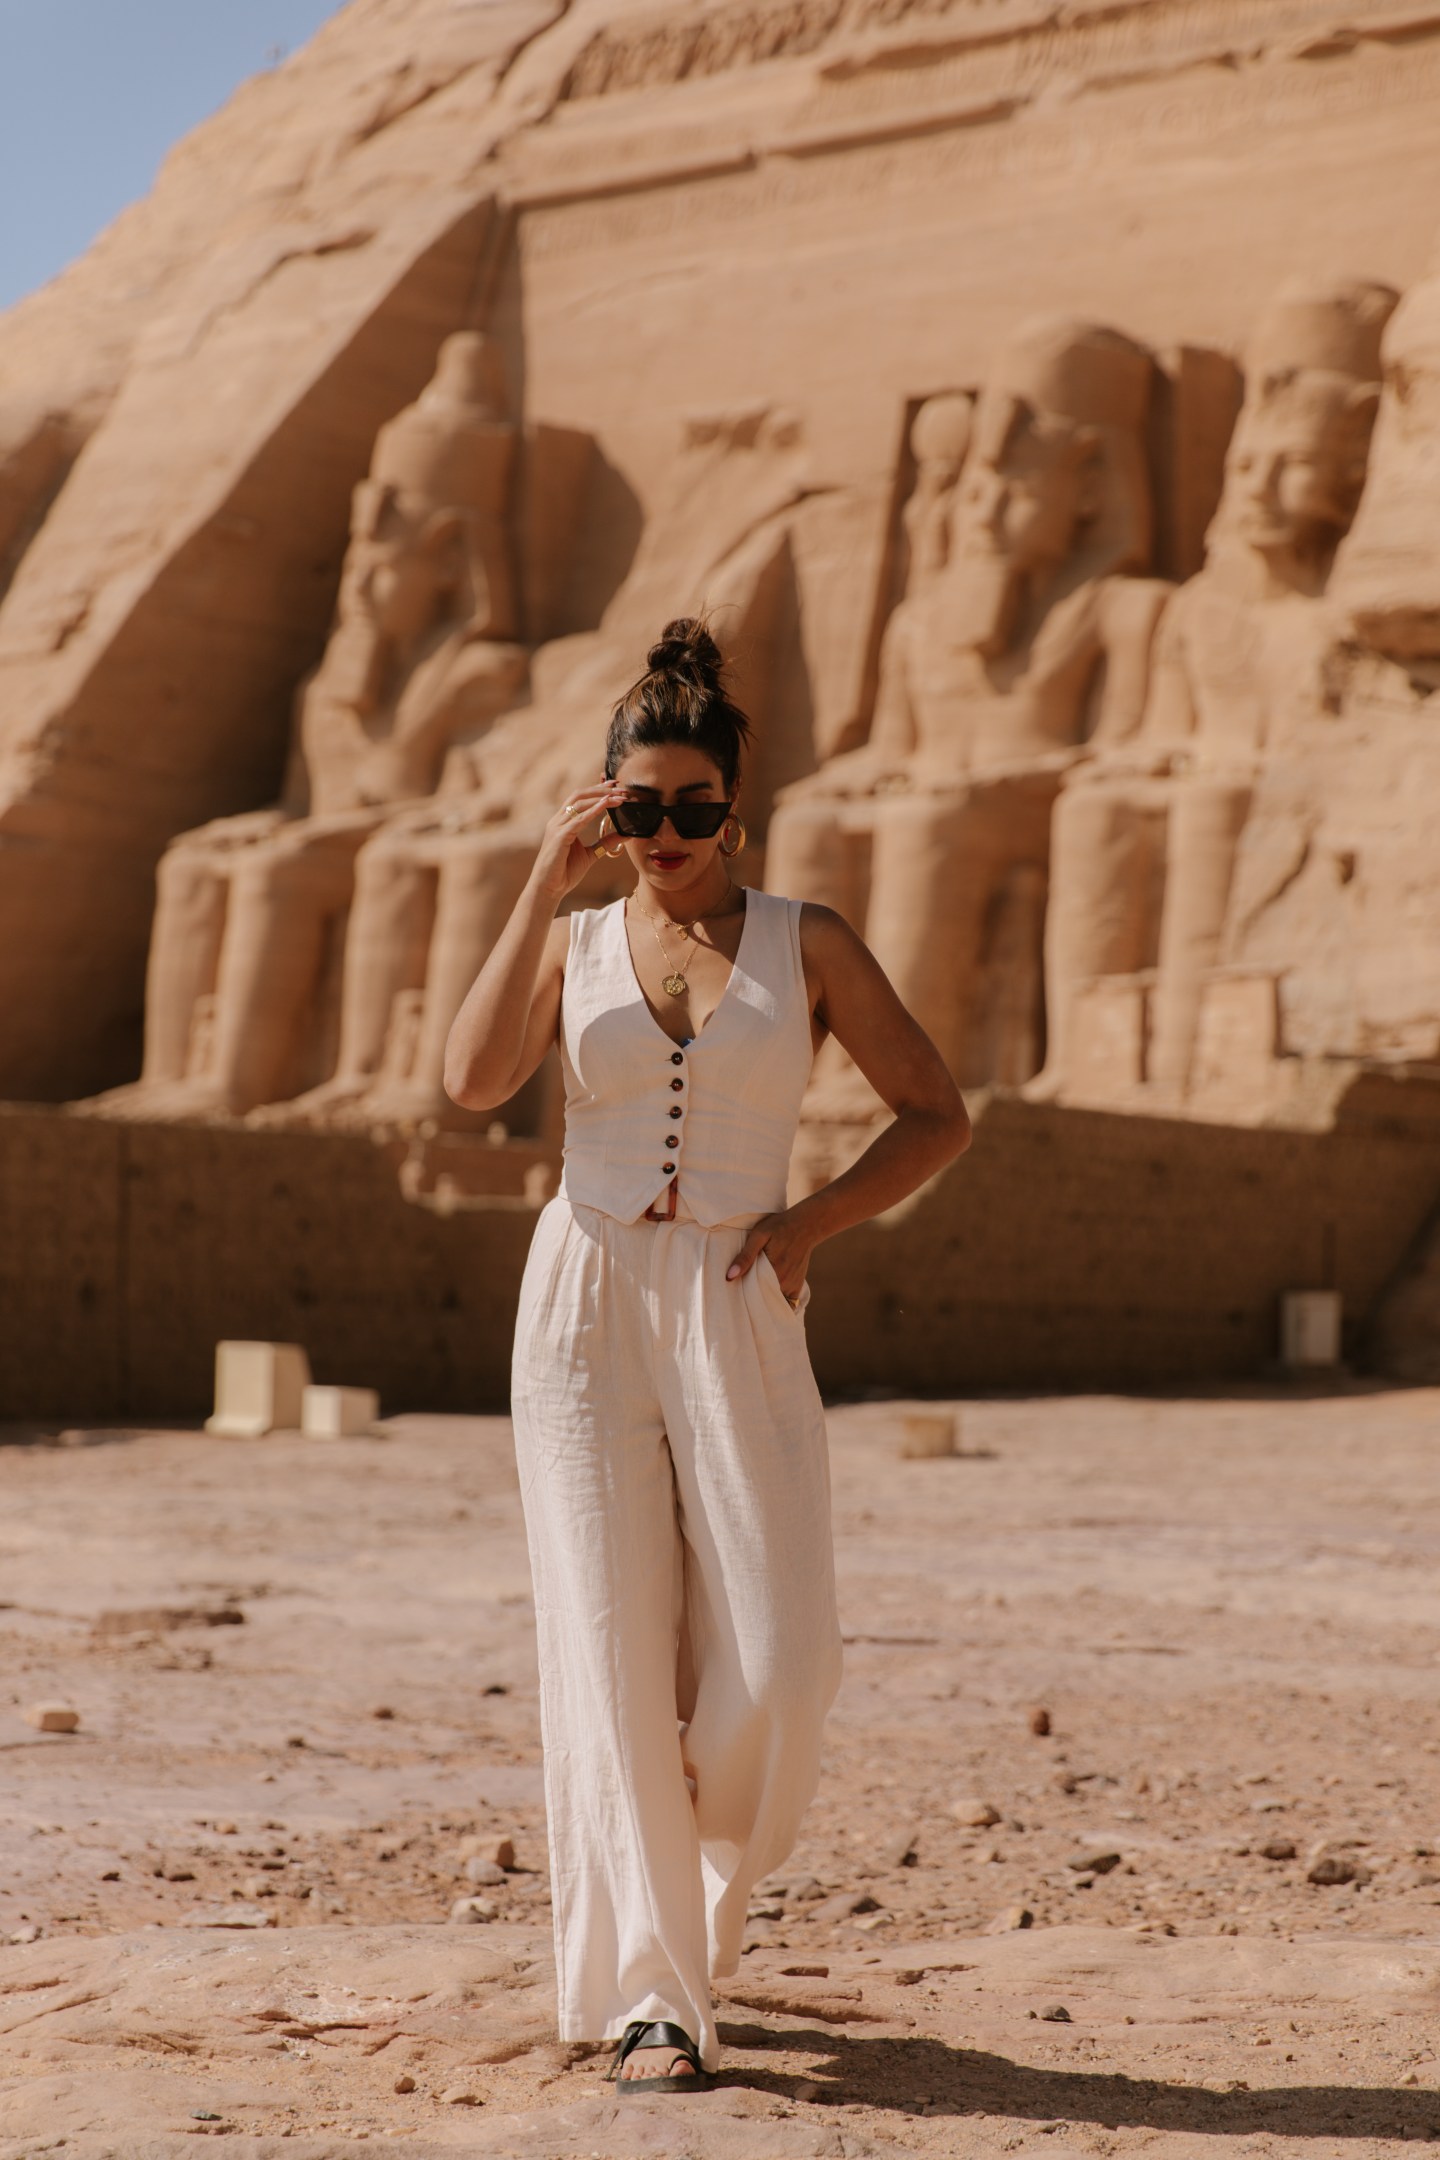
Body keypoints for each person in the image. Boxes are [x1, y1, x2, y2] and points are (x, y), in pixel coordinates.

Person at [443, 618, 971, 2093]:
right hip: (583, 1297)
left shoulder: (809, 941)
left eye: (691, 807)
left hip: (738, 1292)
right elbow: (472, 1078)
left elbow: (938, 1114)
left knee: (784, 1662)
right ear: (605, 809)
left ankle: (692, 1863)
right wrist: (539, 883)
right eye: (637, 808)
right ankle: (654, 1997)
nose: (664, 834)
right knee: (607, 1651)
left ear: (733, 810)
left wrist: (810, 1222)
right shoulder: (572, 943)